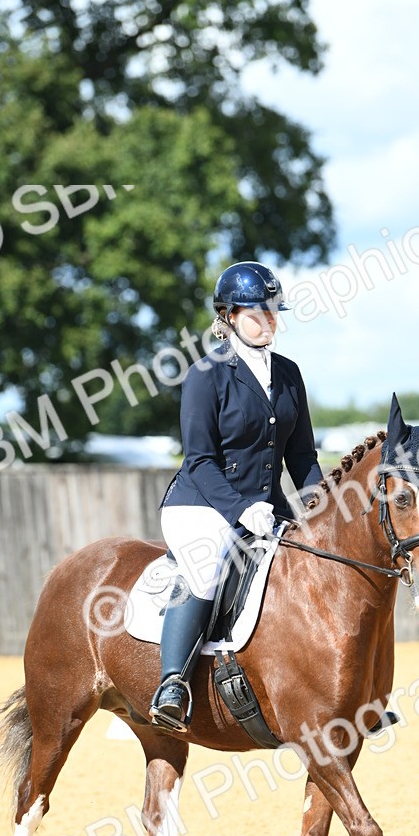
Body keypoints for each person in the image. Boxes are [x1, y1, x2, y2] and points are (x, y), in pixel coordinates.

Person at [149, 260, 324, 732]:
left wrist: (323, 507)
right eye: (258, 312)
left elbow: (302, 456)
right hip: (203, 507)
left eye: (274, 312)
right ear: (227, 315)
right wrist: (241, 509)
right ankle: (172, 684)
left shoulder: (288, 374)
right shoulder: (207, 375)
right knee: (207, 568)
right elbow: (200, 460)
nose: (270, 321)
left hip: (267, 511)